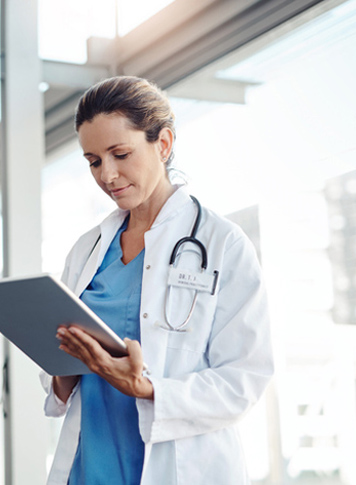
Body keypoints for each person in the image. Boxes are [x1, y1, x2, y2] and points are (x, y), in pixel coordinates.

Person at [40, 76, 274, 485]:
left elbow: (244, 380)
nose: (107, 175)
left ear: (163, 144)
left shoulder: (222, 244)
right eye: (94, 161)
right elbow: (61, 377)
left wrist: (148, 389)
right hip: (89, 468)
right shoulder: (87, 250)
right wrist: (66, 367)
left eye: (120, 154)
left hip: (181, 468)